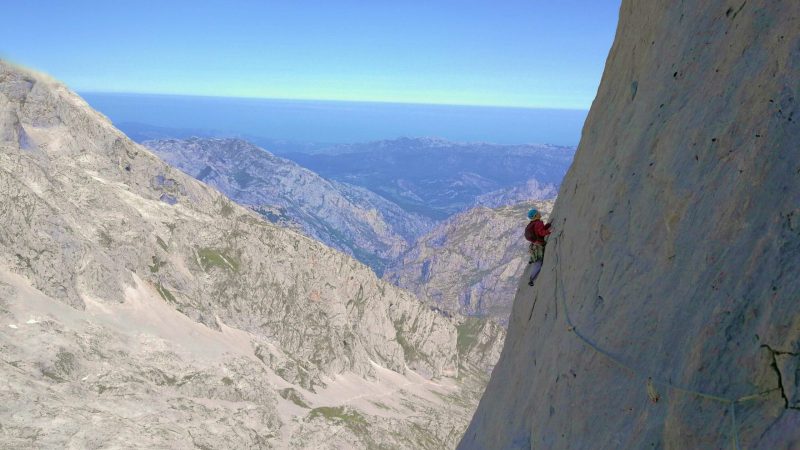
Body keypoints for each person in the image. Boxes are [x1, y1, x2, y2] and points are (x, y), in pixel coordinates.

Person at [524, 208, 551, 286]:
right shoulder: (538, 223)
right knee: (538, 262)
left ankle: (532, 259)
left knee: (536, 257)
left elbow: (537, 231)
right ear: (536, 215)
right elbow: (541, 232)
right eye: (538, 213)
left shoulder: (532, 223)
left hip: (534, 244)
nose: (540, 213)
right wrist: (549, 231)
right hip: (539, 244)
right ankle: (531, 279)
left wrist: (546, 226)